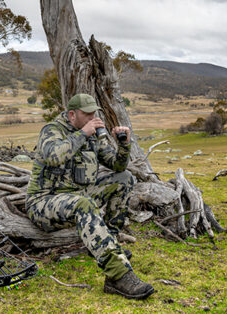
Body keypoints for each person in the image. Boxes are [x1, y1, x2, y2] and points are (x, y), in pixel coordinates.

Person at [25, 93, 154, 300]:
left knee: (124, 178)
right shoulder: (52, 131)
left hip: (77, 196)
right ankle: (117, 275)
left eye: (94, 113)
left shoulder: (92, 135)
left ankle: (108, 243)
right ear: (72, 115)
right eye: (88, 114)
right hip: (43, 202)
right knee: (84, 204)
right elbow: (53, 156)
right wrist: (83, 133)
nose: (93, 117)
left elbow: (117, 166)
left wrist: (124, 145)